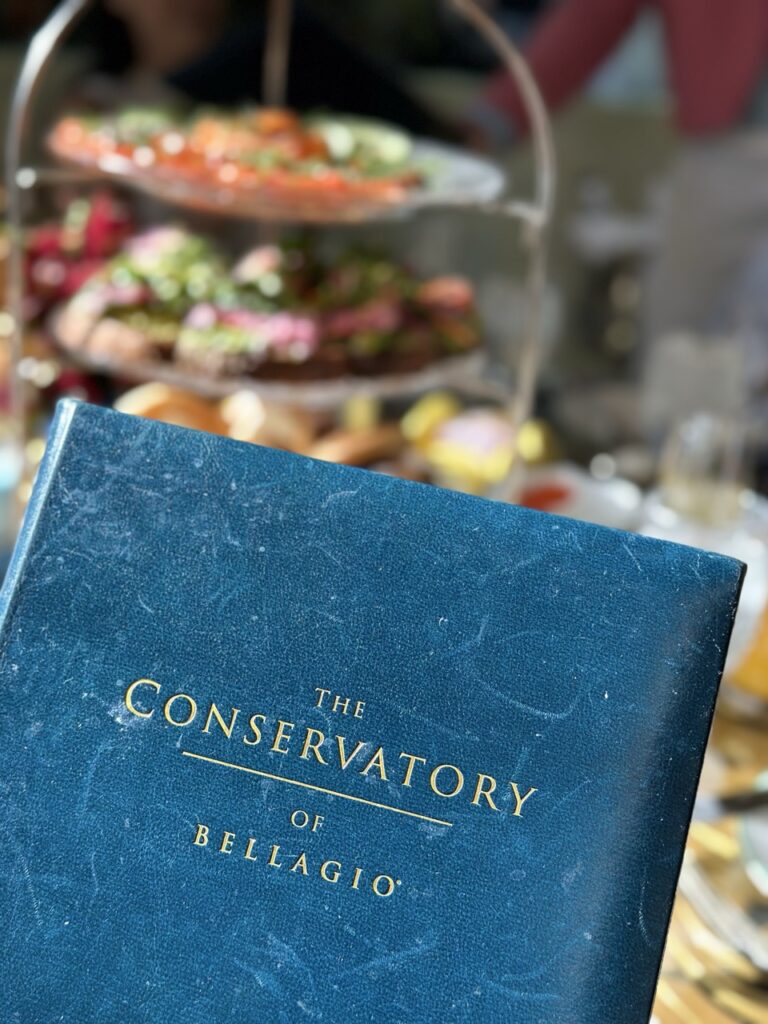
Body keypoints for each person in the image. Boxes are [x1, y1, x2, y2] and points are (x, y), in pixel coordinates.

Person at [477, 0, 768, 358]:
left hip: (725, 150)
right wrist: (499, 114)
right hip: (727, 150)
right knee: (683, 346)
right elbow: (595, 14)